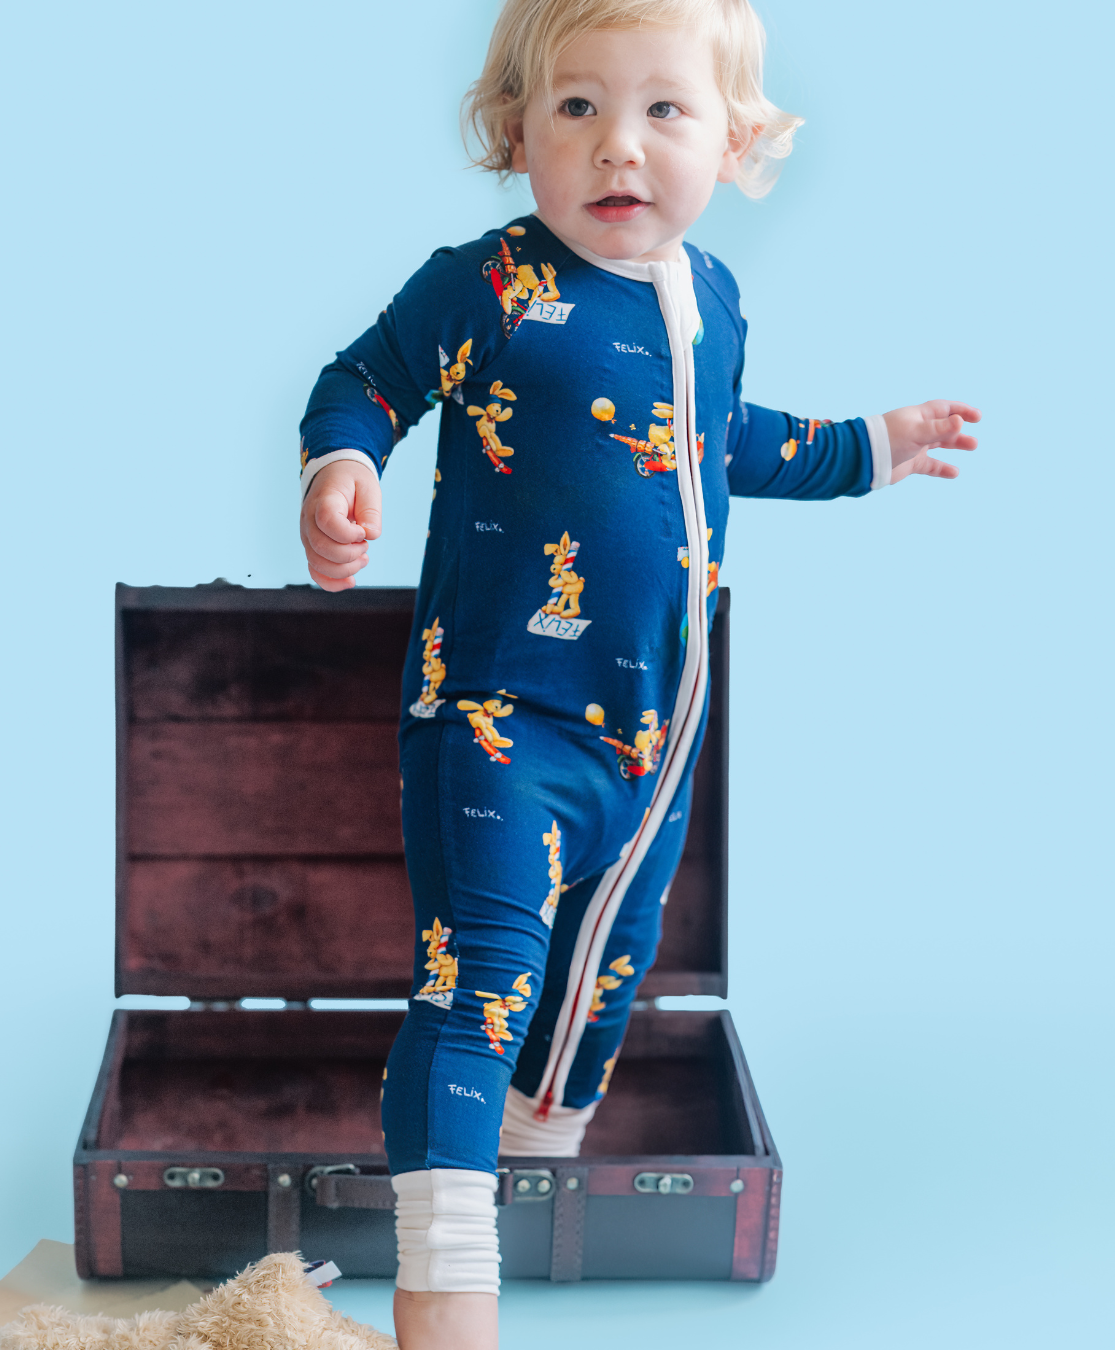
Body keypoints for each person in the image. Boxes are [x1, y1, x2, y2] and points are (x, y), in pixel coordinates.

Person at [297, 1, 979, 1345]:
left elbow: (719, 439)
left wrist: (868, 448)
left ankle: (542, 1169)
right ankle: (449, 1283)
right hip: (498, 721)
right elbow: (363, 379)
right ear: (515, 134)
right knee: (481, 978)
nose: (620, 144)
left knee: (607, 976)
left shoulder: (711, 298)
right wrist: (343, 465)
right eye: (577, 108)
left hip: (655, 743)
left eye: (664, 109)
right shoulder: (485, 286)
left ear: (732, 140)